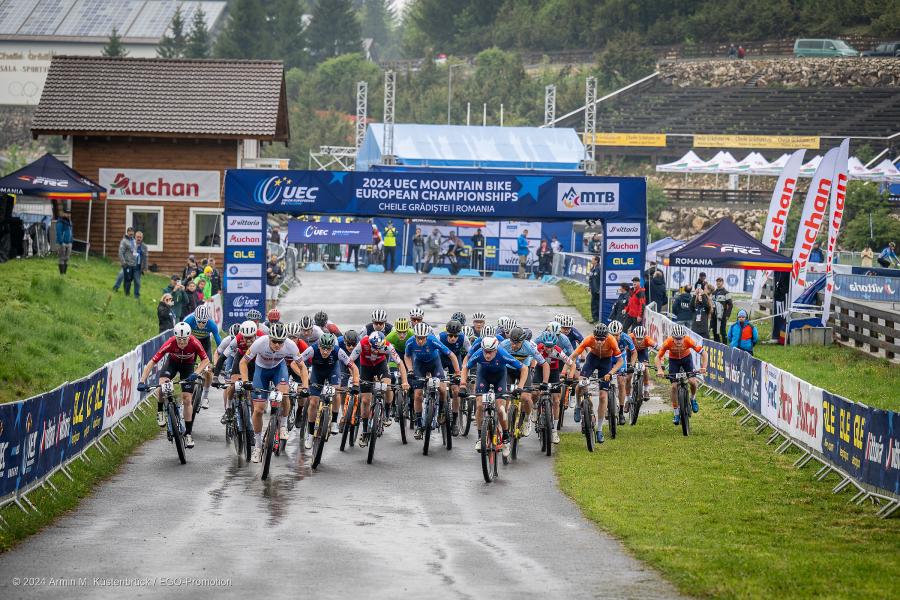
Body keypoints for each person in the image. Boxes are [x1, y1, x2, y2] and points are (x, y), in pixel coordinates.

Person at [239, 323, 310, 463]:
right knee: (258, 410)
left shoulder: (290, 345)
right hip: (261, 371)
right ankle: (258, 447)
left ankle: (283, 425)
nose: (278, 345)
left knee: (284, 394)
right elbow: (243, 362)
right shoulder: (259, 343)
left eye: (280, 342)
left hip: (279, 369)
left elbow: (302, 367)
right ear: (269, 338)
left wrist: (306, 386)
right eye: (275, 342)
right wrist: (246, 381)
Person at [137, 322, 210, 449]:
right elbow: (152, 362)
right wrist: (142, 381)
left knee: (187, 399)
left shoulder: (194, 342)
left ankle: (188, 434)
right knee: (162, 385)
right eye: (179, 339)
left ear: (189, 337)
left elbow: (206, 360)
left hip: (188, 367)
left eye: (184, 339)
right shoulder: (171, 342)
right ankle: (160, 410)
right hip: (172, 364)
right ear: (175, 337)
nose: (181, 342)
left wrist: (197, 373)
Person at [460, 336, 527, 456]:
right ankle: (481, 437)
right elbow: (465, 368)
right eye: (485, 351)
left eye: (490, 352)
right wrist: (463, 385)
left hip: (500, 378)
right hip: (483, 377)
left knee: (500, 408)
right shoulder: (479, 353)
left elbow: (524, 368)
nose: (487, 355)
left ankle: (505, 436)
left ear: (496, 350)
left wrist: (520, 387)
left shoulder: (502, 354)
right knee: (480, 405)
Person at [298, 332, 359, 450]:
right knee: (313, 402)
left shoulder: (338, 351)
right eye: (323, 348)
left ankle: (334, 421)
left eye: (328, 349)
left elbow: (354, 368)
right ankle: (310, 434)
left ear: (332, 347)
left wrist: (355, 383)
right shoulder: (312, 349)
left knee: (335, 391)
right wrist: (304, 376)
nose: (325, 352)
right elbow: (297, 362)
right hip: (317, 373)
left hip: (332, 371)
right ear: (319, 346)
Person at [404, 322, 461, 441]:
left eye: (422, 338)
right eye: (418, 338)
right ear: (415, 336)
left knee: (442, 389)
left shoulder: (433, 340)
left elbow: (452, 355)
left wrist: (457, 373)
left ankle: (441, 411)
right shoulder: (410, 342)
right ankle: (419, 425)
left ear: (426, 336)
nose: (420, 341)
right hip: (419, 365)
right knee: (418, 394)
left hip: (435, 364)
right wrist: (410, 370)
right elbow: (407, 356)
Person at [569, 323, 624, 444]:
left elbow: (620, 361)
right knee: (581, 384)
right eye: (597, 339)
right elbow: (574, 355)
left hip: (606, 362)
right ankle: (578, 406)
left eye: (602, 339)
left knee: (603, 396)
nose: (599, 342)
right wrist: (568, 369)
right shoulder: (589, 339)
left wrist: (610, 372)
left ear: (606, 337)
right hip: (592, 359)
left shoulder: (612, 340)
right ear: (594, 336)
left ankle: (599, 430)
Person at [655, 324, 708, 425]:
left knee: (692, 381)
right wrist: (659, 370)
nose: (679, 341)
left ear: (684, 337)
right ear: (672, 338)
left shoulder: (688, 341)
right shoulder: (667, 343)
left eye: (681, 338)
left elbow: (704, 353)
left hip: (686, 359)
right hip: (673, 361)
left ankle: (693, 399)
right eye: (676, 339)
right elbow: (657, 357)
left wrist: (704, 367)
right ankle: (676, 413)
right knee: (674, 387)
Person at [710, 277, 733, 344]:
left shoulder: (726, 293)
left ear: (722, 282)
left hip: (722, 315)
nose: (718, 283)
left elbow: (730, 305)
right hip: (714, 315)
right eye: (717, 281)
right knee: (714, 331)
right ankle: (717, 344)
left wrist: (727, 315)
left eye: (720, 281)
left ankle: (725, 345)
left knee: (722, 331)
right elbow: (711, 304)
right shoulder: (714, 293)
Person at [113, 227, 136, 296]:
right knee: (121, 274)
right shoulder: (124, 241)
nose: (131, 233)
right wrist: (123, 263)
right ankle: (115, 287)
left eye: (132, 232)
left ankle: (126, 291)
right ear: (127, 232)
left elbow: (134, 251)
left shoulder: (134, 241)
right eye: (130, 231)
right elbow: (120, 252)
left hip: (132, 263)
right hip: (126, 263)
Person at [55, 208, 72, 275]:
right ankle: (61, 274)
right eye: (67, 213)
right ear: (63, 214)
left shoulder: (70, 221)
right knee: (62, 258)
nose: (68, 215)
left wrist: (71, 241)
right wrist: (62, 242)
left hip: (69, 243)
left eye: (69, 213)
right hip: (62, 243)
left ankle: (64, 274)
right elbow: (58, 233)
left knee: (67, 258)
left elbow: (70, 232)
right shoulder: (60, 222)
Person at [588, 255, 602, 323]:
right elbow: (590, 279)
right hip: (593, 290)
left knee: (598, 304)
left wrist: (600, 289)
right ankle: (594, 318)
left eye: (593, 259)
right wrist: (589, 287)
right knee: (593, 304)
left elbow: (601, 279)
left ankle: (599, 318)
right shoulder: (592, 268)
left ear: (596, 260)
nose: (591, 260)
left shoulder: (600, 268)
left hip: (598, 290)